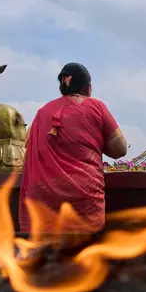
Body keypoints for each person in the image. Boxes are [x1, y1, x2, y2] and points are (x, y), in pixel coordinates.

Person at [19, 63, 127, 233]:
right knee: (84, 252)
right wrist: (94, 138)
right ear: (89, 87)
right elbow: (120, 149)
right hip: (83, 197)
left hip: (43, 198)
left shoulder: (42, 112)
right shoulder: (96, 106)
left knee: (46, 253)